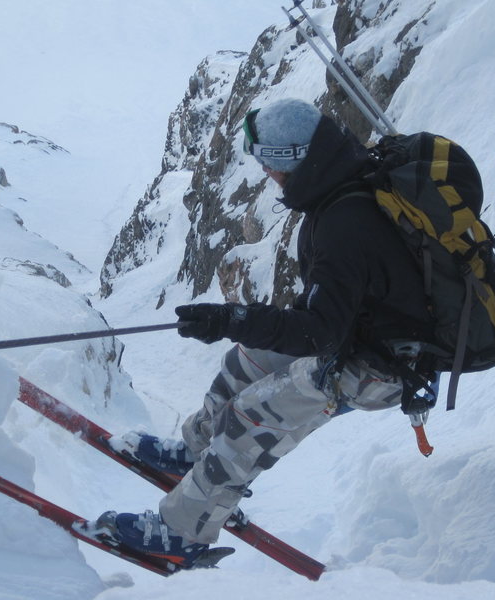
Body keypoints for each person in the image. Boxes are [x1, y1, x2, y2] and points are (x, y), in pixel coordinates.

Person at [102, 98, 433, 568]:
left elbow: (319, 333)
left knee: (250, 419)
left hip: (381, 368)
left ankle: (182, 532)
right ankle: (196, 452)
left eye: (266, 162)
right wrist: (239, 327)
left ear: (292, 160)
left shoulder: (344, 223)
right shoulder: (342, 182)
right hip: (360, 339)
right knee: (248, 359)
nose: (263, 172)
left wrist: (229, 319)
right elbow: (334, 308)